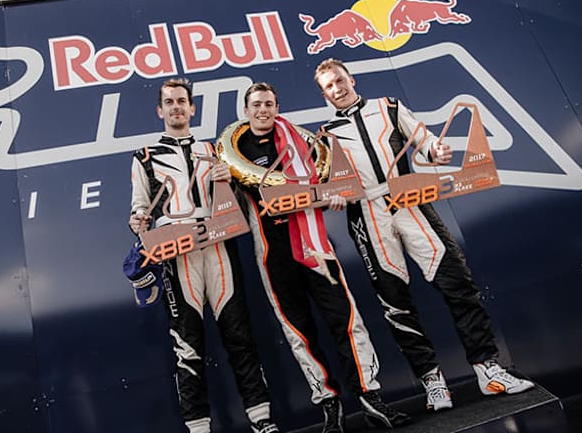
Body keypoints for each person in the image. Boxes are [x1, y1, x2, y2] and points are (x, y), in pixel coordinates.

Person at [314, 58, 535, 412]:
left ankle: (488, 369)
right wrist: (333, 196)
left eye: (339, 80)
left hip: (410, 200)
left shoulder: (388, 106)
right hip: (367, 216)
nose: (337, 88)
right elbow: (326, 187)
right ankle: (433, 383)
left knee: (457, 283)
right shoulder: (324, 135)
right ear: (324, 93)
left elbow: (426, 142)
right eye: (329, 86)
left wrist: (437, 151)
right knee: (395, 305)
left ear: (351, 79)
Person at [223, 82, 410, 431]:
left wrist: (336, 196)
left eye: (268, 104)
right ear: (246, 111)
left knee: (347, 320)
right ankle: (329, 405)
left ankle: (371, 397)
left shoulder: (300, 141)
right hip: (273, 257)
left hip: (316, 249)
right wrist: (222, 183)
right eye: (256, 105)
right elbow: (231, 212)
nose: (262, 110)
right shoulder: (234, 152)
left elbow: (329, 184)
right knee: (298, 331)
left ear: (276, 107)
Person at [128, 78, 279, 433]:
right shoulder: (144, 158)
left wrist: (233, 181)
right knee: (187, 346)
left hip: (218, 248)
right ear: (160, 110)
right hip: (177, 256)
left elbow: (243, 206)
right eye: (170, 102)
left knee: (239, 336)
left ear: (192, 108)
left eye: (182, 101)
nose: (177, 107)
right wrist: (137, 221)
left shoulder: (215, 150)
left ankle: (261, 420)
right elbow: (138, 215)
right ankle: (198, 428)